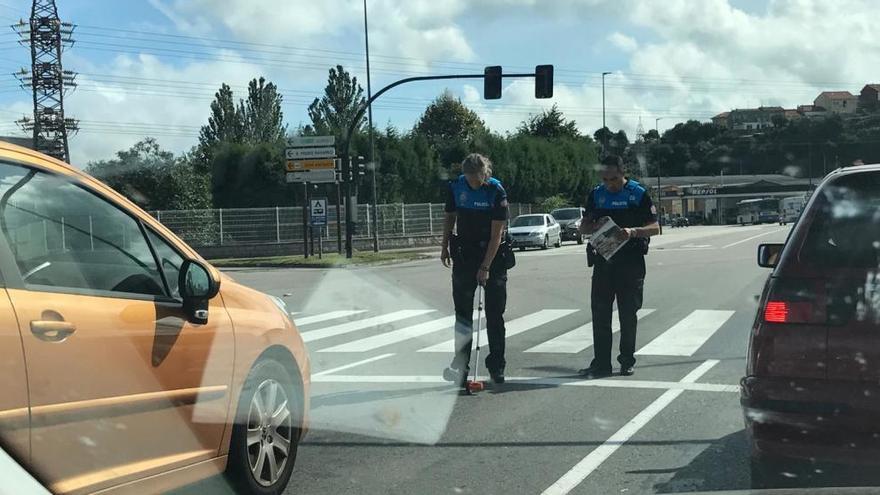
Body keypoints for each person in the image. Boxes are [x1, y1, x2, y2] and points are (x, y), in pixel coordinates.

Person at [578, 155, 660, 378]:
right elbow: (585, 226)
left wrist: (632, 232)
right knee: (600, 314)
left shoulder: (638, 194)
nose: (609, 184)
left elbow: (655, 227)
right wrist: (587, 226)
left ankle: (626, 361)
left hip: (630, 263)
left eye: (613, 179)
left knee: (628, 314)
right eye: (605, 179)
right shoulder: (597, 194)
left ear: (623, 174)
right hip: (603, 260)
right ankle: (601, 363)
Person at [440, 153, 509, 392]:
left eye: (476, 178)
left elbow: (496, 235)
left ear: (484, 174)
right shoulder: (456, 187)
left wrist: (485, 267)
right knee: (462, 316)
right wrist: (444, 246)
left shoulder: (495, 191)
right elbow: (449, 217)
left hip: (493, 255)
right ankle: (461, 366)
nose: (472, 182)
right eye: (469, 178)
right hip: (464, 255)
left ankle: (496, 364)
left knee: (494, 314)